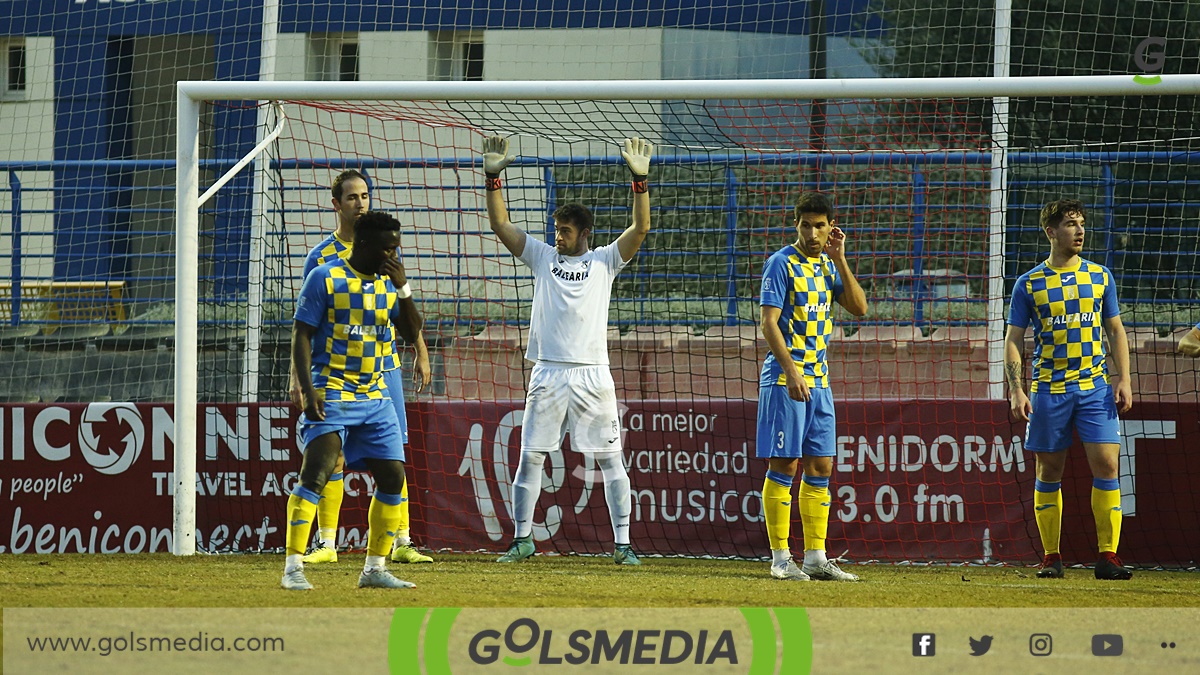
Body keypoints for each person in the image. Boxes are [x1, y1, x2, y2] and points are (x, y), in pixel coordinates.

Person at [481, 134, 652, 565]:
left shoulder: (604, 261)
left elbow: (641, 229)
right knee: (532, 456)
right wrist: (493, 178)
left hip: (593, 374)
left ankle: (623, 545)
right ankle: (522, 540)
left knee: (612, 461)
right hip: (549, 373)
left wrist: (640, 182)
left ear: (584, 234)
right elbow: (501, 226)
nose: (558, 236)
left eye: (566, 231)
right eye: (556, 229)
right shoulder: (542, 257)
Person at [292, 169, 434, 567]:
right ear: (336, 204)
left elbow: (399, 309)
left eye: (365, 196)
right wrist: (298, 379)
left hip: (383, 367)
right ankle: (326, 544)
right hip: (336, 374)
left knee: (394, 455)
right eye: (352, 197)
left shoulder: (387, 252)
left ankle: (402, 541)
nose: (360, 203)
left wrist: (420, 349)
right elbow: (304, 323)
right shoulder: (320, 260)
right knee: (330, 458)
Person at [1005, 198, 1134, 581]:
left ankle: (1108, 557)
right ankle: (1051, 557)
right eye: (1070, 224)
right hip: (1048, 389)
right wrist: (1017, 389)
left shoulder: (1100, 276)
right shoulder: (1029, 283)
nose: (1079, 231)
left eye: (1081, 224)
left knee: (1109, 465)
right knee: (1049, 470)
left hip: (1094, 388)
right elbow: (1014, 340)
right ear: (1051, 232)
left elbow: (1115, 330)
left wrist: (1123, 378)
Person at [757, 193, 868, 582]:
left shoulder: (827, 264)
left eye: (819, 225)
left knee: (821, 465)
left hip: (820, 381)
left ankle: (816, 557)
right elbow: (768, 323)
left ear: (830, 227)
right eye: (806, 224)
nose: (812, 232)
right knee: (784, 464)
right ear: (796, 225)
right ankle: (780, 558)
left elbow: (860, 308)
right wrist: (790, 371)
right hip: (786, 379)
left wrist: (840, 258)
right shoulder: (780, 262)